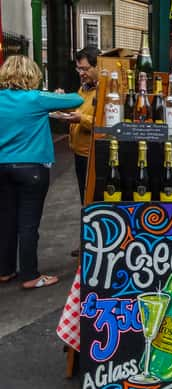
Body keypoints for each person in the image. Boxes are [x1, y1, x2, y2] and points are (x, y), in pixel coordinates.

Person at [0, 55, 83, 289]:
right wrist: (56, 97)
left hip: (1, 167)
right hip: (31, 168)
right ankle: (30, 275)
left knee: (6, 221)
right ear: (31, 75)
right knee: (28, 224)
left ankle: (5, 271)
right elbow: (76, 99)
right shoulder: (36, 98)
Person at [57, 47, 100, 203]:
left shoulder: (104, 90)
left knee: (92, 200)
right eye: (79, 69)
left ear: (98, 67)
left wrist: (81, 119)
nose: (81, 73)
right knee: (85, 198)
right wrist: (61, 102)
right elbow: (78, 109)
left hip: (93, 155)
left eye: (85, 69)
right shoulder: (85, 87)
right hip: (80, 153)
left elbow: (106, 125)